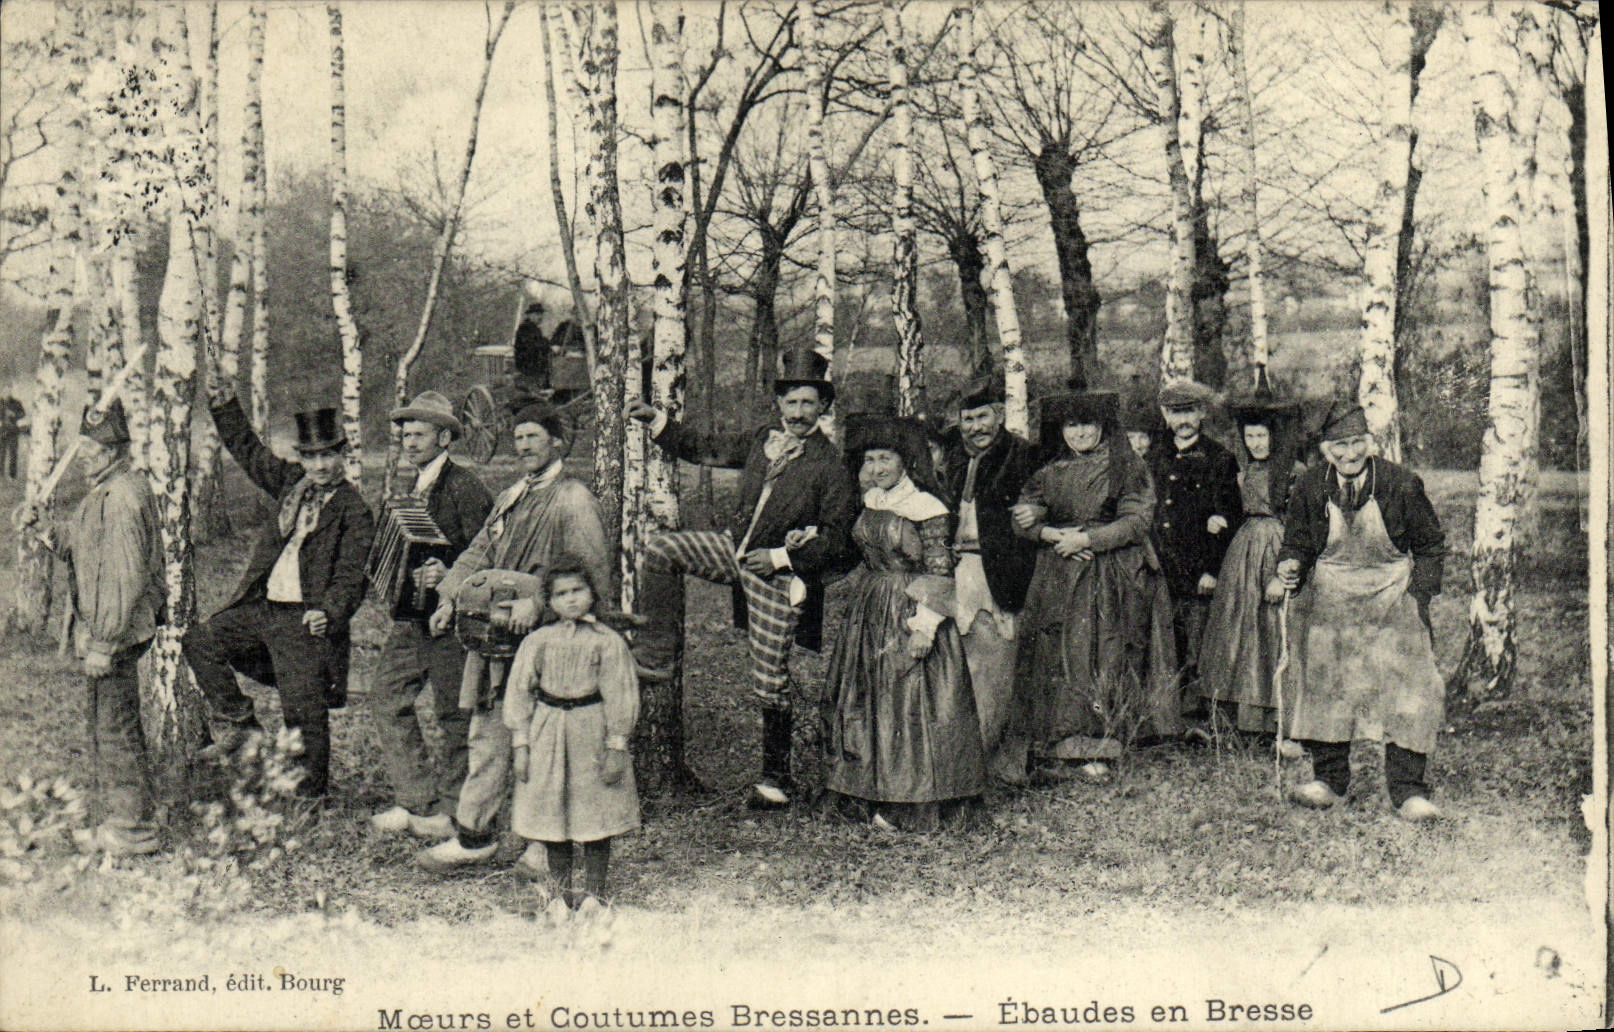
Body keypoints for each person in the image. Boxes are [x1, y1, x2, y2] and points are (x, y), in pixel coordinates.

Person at [625, 348, 856, 809]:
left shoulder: (830, 465)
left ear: (823, 407)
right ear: (779, 405)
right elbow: (705, 448)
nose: (798, 413)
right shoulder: (760, 441)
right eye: (790, 402)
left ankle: (775, 781)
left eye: (808, 403)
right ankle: (655, 651)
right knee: (662, 549)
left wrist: (779, 557)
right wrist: (658, 423)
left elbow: (837, 542)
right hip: (734, 552)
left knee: (769, 680)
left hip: (778, 578)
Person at [417, 399, 613, 873]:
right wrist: (449, 597)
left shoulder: (573, 499)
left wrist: (540, 602)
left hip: (551, 641)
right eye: (518, 436)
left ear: (557, 442)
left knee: (547, 744)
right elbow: (480, 550)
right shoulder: (512, 494)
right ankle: (474, 836)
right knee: (488, 734)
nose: (524, 445)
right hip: (496, 638)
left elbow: (592, 573)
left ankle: (546, 846)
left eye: (534, 437)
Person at [183, 395, 373, 802]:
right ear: (301, 458)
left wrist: (330, 611)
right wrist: (222, 404)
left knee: (303, 714)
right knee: (201, 640)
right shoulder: (292, 485)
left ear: (342, 454)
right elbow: (249, 451)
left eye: (328, 456)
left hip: (305, 620)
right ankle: (241, 726)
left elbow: (351, 574)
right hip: (261, 609)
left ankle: (310, 798)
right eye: (311, 457)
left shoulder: (353, 510)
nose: (320, 466)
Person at [1276, 400, 1447, 821]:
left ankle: (1409, 791)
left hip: (1392, 595)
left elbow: (1430, 546)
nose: (1349, 454)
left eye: (1356, 444)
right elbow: (1296, 541)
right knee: (1325, 684)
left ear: (1370, 444)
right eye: (1339, 446)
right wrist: (1290, 563)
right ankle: (1329, 781)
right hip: (1332, 597)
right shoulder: (1311, 487)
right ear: (1324, 450)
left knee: (1410, 685)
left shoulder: (1402, 485)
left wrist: (1417, 597)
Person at [1002, 391, 1178, 782]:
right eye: (1071, 425)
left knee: (1102, 651)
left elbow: (1136, 522)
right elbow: (1021, 518)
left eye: (1087, 425)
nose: (1079, 433)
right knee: (1058, 653)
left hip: (1111, 573)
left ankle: (1103, 744)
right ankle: (1060, 744)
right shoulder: (1050, 471)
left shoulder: (1125, 467)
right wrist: (1049, 532)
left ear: (1102, 427)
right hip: (1058, 574)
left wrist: (1087, 540)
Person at [824, 417, 984, 832]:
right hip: (872, 607)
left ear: (905, 461)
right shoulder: (872, 500)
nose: (876, 468)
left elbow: (940, 571)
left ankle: (911, 802)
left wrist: (924, 628)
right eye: (869, 459)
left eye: (885, 458)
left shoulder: (928, 508)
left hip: (912, 610)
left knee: (910, 702)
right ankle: (868, 793)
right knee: (870, 699)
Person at [38, 402, 165, 853]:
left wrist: (104, 643)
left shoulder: (123, 497)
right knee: (108, 723)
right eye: (85, 445)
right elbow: (82, 548)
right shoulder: (107, 490)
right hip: (109, 633)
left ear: (116, 449)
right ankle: (122, 820)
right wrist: (46, 531)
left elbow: (122, 577)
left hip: (116, 634)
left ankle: (132, 829)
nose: (86, 454)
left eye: (95, 447)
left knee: (116, 727)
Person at [368, 391, 494, 838]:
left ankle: (456, 809)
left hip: (451, 620)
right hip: (411, 619)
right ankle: (418, 801)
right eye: (405, 434)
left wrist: (449, 569)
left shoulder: (465, 485)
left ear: (445, 437)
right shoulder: (412, 488)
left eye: (419, 434)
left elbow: (489, 550)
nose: (409, 441)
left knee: (453, 714)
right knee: (386, 696)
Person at [503, 558, 639, 917]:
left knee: (596, 812)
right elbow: (520, 691)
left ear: (593, 594)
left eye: (578, 590)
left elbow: (620, 695)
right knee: (553, 815)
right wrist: (521, 743)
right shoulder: (537, 641)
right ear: (549, 601)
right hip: (547, 730)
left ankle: (595, 895)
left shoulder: (608, 643)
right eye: (561, 594)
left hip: (590, 729)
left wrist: (616, 746)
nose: (572, 599)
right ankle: (561, 895)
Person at [934, 378, 1038, 778]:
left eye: (983, 416)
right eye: (967, 419)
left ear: (999, 415)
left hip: (1001, 573)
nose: (976, 427)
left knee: (996, 669)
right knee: (960, 668)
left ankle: (997, 765)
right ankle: (960, 761)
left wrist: (1036, 513)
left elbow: (1042, 502)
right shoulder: (953, 458)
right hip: (956, 569)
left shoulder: (1022, 455)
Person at [1196, 389, 1307, 736]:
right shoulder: (1244, 472)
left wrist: (1281, 572)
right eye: (1250, 436)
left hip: (1277, 548)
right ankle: (1238, 721)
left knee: (1274, 630)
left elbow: (1300, 526)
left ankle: (1277, 720)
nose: (1256, 443)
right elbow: (1232, 508)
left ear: (1276, 435)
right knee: (1239, 630)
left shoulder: (1295, 472)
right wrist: (1217, 519)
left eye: (1262, 435)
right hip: (1243, 552)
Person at [1150, 378, 1243, 694]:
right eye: (1175, 413)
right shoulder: (1154, 457)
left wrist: (1212, 571)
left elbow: (1229, 522)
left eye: (1189, 411)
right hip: (1160, 569)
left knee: (1197, 647)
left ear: (1202, 412)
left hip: (1197, 571)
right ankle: (1167, 717)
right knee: (1163, 645)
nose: (1183, 420)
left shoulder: (1219, 459)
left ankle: (1197, 721)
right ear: (1165, 415)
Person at [512, 303, 550, 393]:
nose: (540, 317)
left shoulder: (535, 329)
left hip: (534, 362)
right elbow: (533, 345)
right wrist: (546, 345)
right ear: (530, 315)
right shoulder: (525, 328)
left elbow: (540, 343)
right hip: (526, 364)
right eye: (537, 314)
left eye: (541, 314)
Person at [0, 394, 25, 479]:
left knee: (13, 454)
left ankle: (12, 475)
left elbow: (23, 413)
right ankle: (1, 474)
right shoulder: (1, 402)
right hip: (2, 431)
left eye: (10, 387)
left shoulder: (16, 402)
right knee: (1, 453)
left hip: (13, 431)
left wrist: (15, 415)